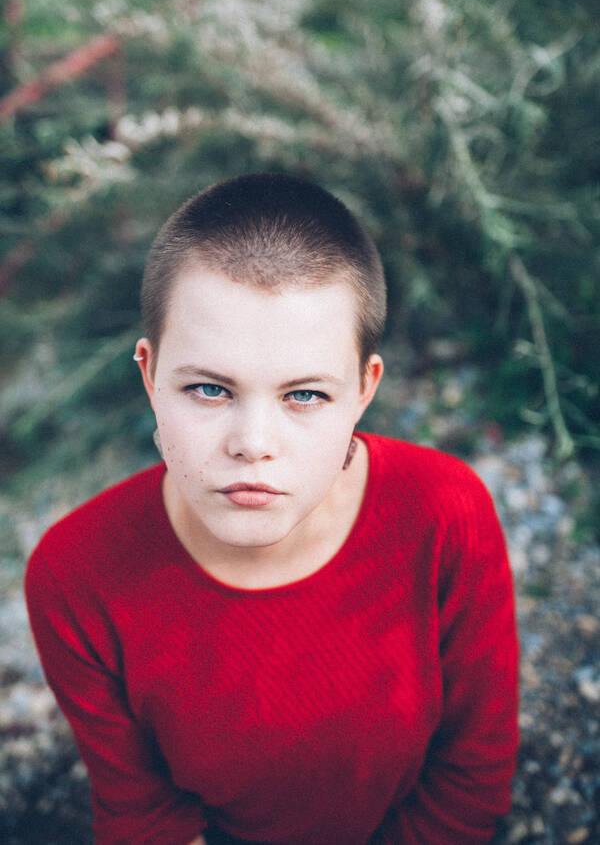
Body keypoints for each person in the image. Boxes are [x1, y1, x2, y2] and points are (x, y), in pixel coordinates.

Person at [25, 173, 519, 845]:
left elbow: (472, 773)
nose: (253, 445)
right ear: (148, 376)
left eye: (305, 396)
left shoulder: (444, 513)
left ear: (364, 390)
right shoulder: (78, 573)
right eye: (208, 388)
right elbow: (144, 816)